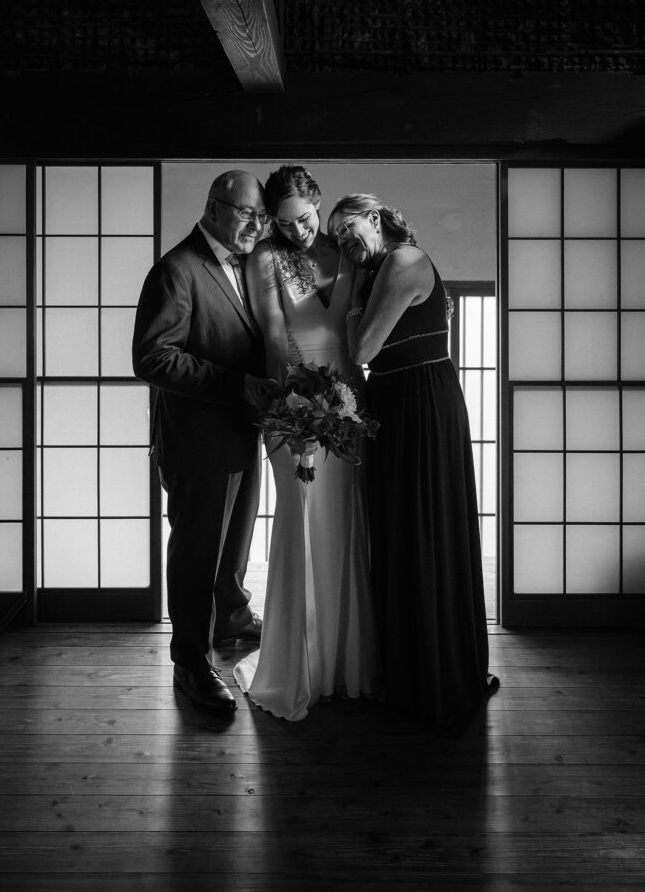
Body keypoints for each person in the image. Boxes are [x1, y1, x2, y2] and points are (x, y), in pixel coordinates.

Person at [327, 192, 498, 731]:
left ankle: (440, 678)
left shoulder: (403, 261)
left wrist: (352, 288)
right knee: (400, 531)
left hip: (422, 401)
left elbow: (361, 350)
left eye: (348, 227)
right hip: (395, 403)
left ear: (375, 217)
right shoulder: (381, 266)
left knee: (426, 529)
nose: (344, 241)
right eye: (336, 237)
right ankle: (407, 673)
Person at [233, 166, 380, 721]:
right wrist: (298, 406)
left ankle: (348, 664)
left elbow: (367, 323)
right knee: (301, 522)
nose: (297, 230)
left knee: (345, 523)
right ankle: (299, 667)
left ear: (319, 204)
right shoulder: (266, 258)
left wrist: (349, 403)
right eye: (284, 221)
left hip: (351, 406)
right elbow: (274, 338)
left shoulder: (345, 252)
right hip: (293, 405)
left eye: (305, 218)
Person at [132, 170, 274, 714]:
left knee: (234, 543)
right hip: (196, 442)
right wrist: (237, 384)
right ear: (214, 207)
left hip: (242, 432)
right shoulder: (176, 269)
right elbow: (153, 357)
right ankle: (191, 663)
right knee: (196, 554)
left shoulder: (246, 264)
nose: (256, 225)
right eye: (246, 214)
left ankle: (233, 618)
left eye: (261, 216)